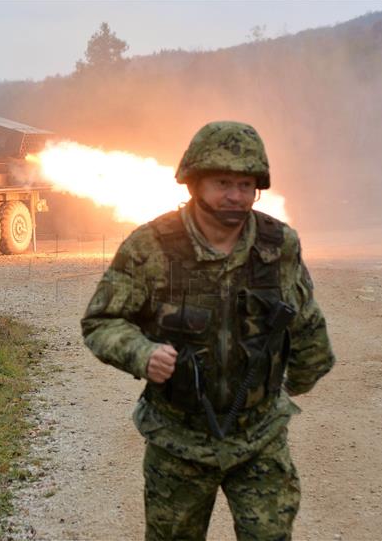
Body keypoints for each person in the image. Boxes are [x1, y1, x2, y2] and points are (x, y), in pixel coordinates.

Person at [81, 121, 335, 540]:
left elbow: (306, 322)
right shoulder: (151, 246)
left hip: (259, 438)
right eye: (222, 182)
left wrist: (294, 382)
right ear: (194, 183)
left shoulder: (278, 246)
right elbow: (101, 321)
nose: (236, 196)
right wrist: (141, 353)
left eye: (246, 184)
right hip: (177, 439)